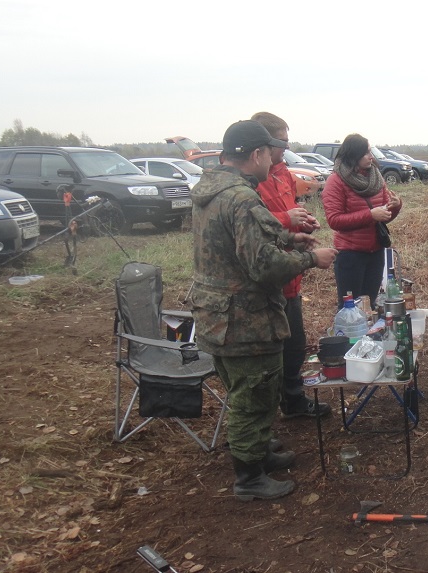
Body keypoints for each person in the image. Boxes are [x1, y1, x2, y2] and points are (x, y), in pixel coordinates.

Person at [190, 120, 337, 500]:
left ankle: (259, 453)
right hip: (244, 318)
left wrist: (288, 238)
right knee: (251, 398)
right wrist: (311, 258)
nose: (273, 161)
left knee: (252, 390)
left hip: (217, 314)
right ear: (256, 154)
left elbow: (242, 240)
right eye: (269, 154)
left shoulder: (212, 190)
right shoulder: (240, 197)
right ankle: (249, 477)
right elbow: (263, 266)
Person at [250, 111, 332, 420]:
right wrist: (288, 222)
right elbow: (254, 224)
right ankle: (264, 415)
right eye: (282, 142)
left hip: (290, 272)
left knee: (295, 344)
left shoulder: (283, 172)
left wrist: (303, 223)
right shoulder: (250, 182)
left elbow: (288, 210)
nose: (287, 147)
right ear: (263, 144)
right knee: (269, 352)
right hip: (267, 279)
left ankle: (293, 400)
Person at [321, 133, 402, 309]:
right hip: (350, 255)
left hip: (375, 252)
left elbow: (384, 216)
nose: (370, 156)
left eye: (370, 152)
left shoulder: (376, 178)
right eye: (365, 153)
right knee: (350, 308)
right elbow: (334, 220)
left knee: (369, 305)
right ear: (353, 155)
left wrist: (395, 206)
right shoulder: (336, 181)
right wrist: (370, 215)